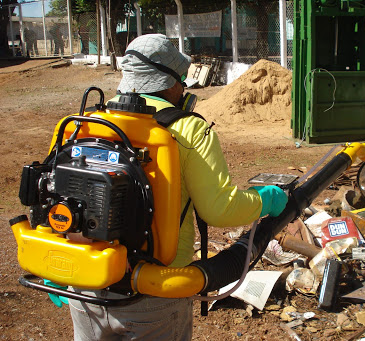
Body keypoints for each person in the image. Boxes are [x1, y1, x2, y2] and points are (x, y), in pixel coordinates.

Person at [60, 33, 288, 340]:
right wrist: (264, 201)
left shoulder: (87, 123)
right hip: (154, 291)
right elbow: (219, 209)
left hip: (85, 283)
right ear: (167, 83)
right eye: (181, 78)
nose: (184, 86)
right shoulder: (188, 128)